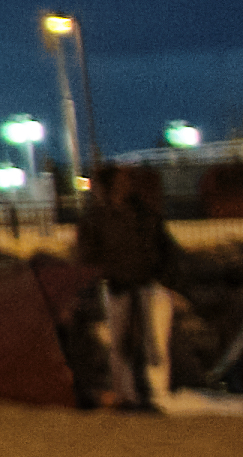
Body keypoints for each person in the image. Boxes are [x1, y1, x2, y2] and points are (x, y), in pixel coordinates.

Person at [69, 161, 182, 411]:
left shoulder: (101, 218)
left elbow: (87, 259)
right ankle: (145, 395)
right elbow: (164, 250)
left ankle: (139, 395)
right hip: (132, 288)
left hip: (132, 288)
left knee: (136, 346)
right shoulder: (138, 215)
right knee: (138, 346)